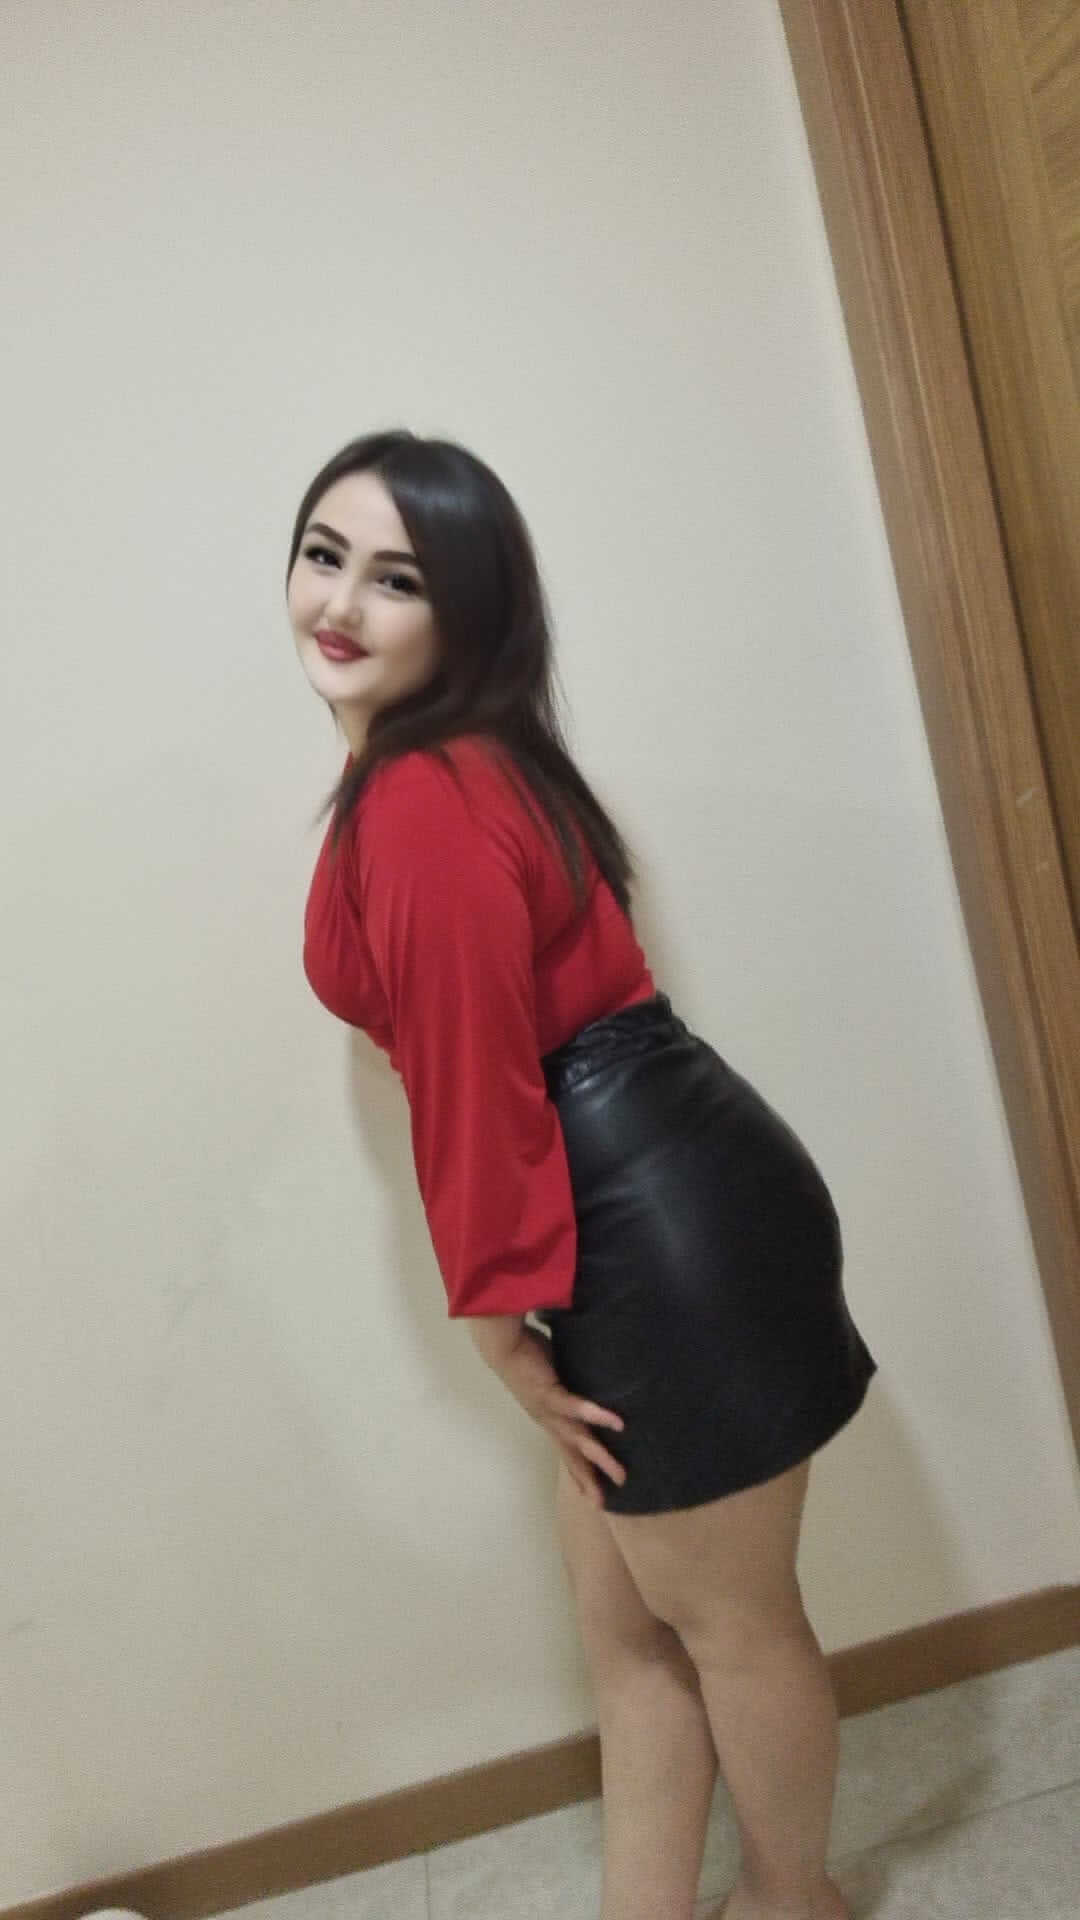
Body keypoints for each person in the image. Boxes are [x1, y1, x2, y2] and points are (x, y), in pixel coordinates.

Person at [290, 430, 877, 1920]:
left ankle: (794, 1904)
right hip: (653, 1196)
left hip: (652, 1228)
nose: (340, 601)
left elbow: (475, 1080)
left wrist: (500, 1327)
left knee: (729, 1624)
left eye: (397, 578)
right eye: (323, 555)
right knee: (633, 1636)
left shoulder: (423, 793)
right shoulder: (434, 764)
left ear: (467, 613)